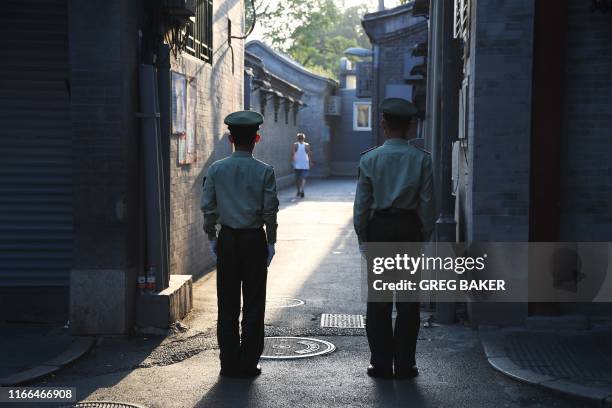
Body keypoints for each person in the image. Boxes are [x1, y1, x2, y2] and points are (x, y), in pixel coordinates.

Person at [353, 98, 435, 379]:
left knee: (378, 302)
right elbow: (427, 204)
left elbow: (361, 206)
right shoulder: (422, 160)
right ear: (411, 125)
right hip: (410, 228)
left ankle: (380, 363)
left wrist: (363, 236)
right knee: (409, 302)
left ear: (384, 123)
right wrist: (423, 236)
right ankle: (405, 364)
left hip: (380, 229)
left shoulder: (369, 159)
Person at [201, 110, 279, 378]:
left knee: (228, 303)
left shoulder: (216, 169)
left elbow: (208, 208)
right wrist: (271, 241)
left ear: (230, 138)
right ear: (256, 138)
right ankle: (248, 363)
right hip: (254, 240)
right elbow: (270, 211)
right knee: (254, 303)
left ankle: (228, 363)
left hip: (228, 240)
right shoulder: (264, 171)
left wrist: (212, 236)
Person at [291, 133, 313, 198]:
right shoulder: (307, 145)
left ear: (297, 138)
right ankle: (302, 189)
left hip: (297, 164)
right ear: (304, 138)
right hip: (305, 163)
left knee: (297, 179)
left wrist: (292, 162)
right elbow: (309, 154)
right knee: (303, 177)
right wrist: (310, 162)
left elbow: (293, 154)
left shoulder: (295, 145)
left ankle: (298, 190)